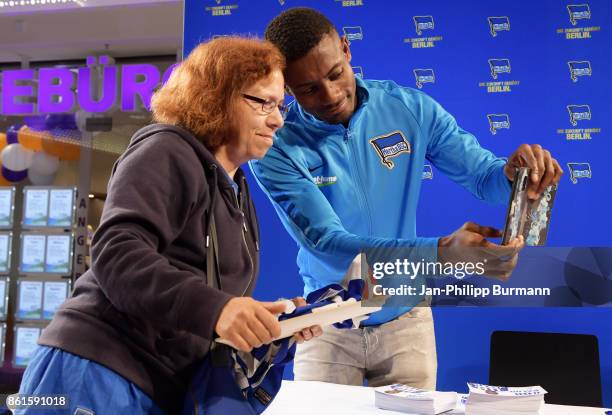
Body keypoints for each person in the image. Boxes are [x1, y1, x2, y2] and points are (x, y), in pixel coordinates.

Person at [250, 7, 563, 390]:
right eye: (308, 89)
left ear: (346, 50)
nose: (330, 95)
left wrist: (513, 175)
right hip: (327, 326)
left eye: (335, 74)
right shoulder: (276, 145)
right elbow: (329, 244)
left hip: (407, 319)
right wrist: (442, 252)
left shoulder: (409, 108)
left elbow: (484, 177)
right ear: (285, 87)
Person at [17, 37, 319, 415]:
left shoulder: (234, 188)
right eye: (262, 102)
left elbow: (195, 289)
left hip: (154, 385)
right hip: (96, 369)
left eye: (279, 105)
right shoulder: (165, 150)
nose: (276, 119)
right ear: (215, 97)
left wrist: (262, 320)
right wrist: (218, 310)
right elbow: (117, 253)